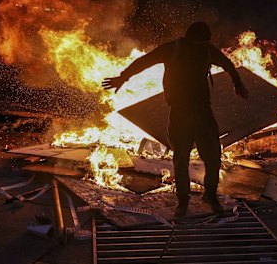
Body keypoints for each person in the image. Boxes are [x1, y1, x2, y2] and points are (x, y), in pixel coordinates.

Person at [102, 22, 249, 216]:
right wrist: (123, 77)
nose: (201, 48)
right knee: (181, 159)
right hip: (180, 114)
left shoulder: (207, 50)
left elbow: (227, 63)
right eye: (198, 44)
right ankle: (183, 201)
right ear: (189, 40)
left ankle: (211, 196)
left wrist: (237, 83)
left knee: (213, 157)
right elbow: (144, 62)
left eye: (205, 44)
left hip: (204, 113)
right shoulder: (173, 49)